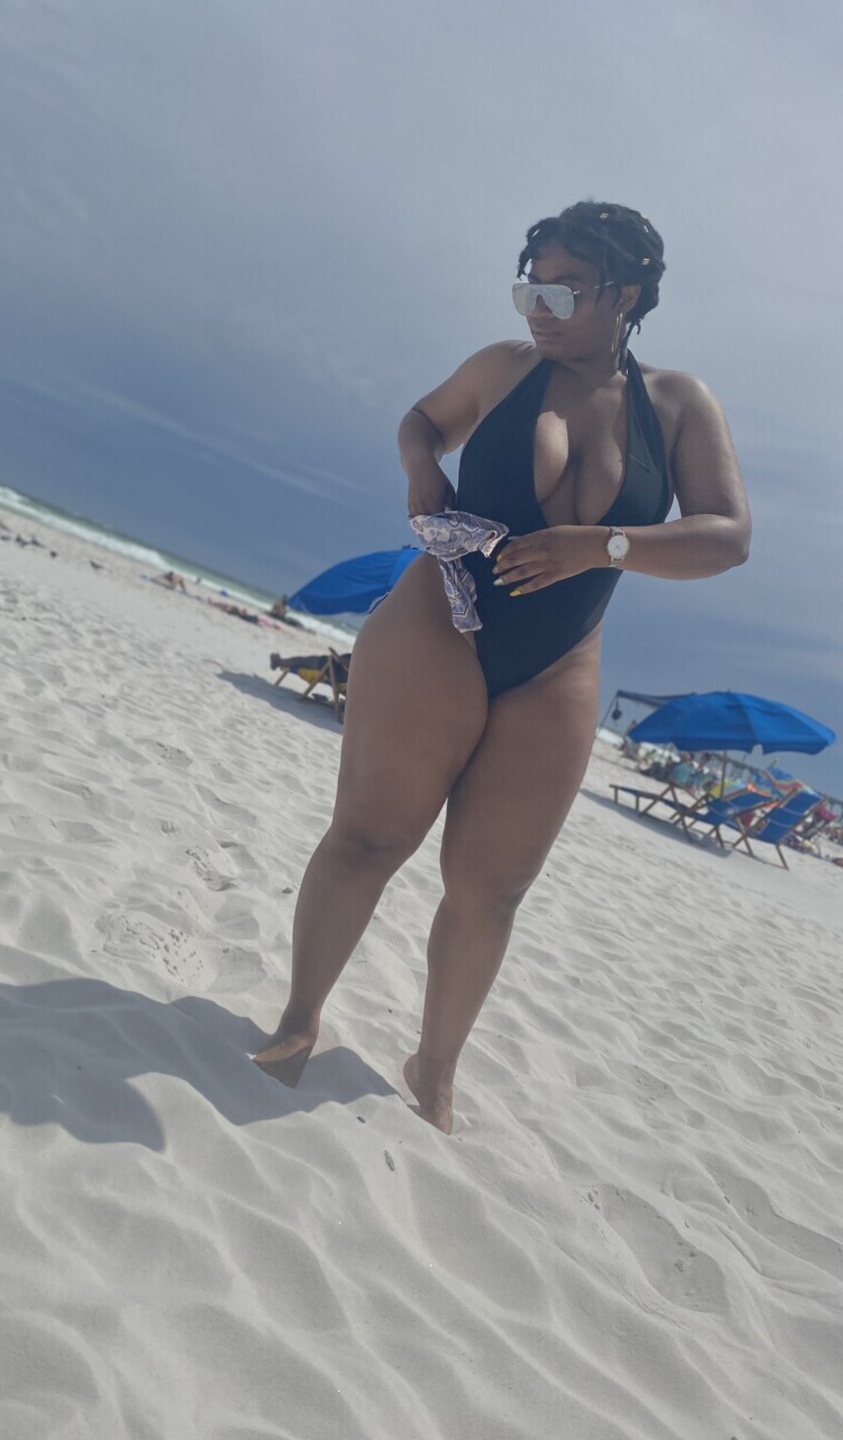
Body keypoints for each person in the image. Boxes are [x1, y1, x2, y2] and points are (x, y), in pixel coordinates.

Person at [253, 201, 751, 1131]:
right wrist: (421, 470)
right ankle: (298, 1019)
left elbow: (727, 536)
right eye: (530, 288)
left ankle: (435, 1067)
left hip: (557, 662)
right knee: (370, 837)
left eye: (564, 290)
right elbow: (421, 420)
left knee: (492, 889)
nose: (539, 309)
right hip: (439, 621)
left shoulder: (679, 404)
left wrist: (600, 546)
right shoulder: (503, 368)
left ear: (625, 295)